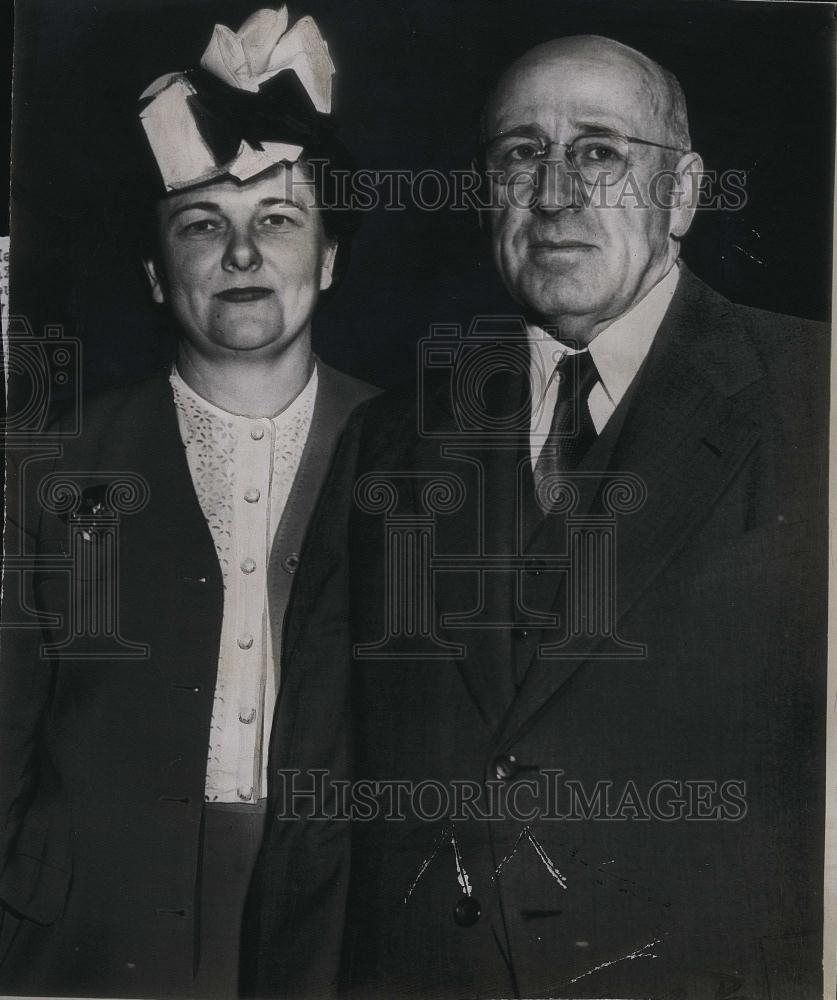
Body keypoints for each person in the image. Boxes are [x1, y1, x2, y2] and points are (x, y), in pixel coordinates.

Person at [251, 34, 828, 999]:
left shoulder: (816, 396)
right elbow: (319, 806)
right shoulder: (390, 441)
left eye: (599, 151)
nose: (554, 191)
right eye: (520, 154)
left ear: (683, 195)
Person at [0, 7, 376, 997]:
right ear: (156, 273)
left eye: (279, 221)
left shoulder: (408, 455)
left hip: (331, 927)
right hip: (90, 926)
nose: (243, 256)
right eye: (204, 224)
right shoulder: (51, 460)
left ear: (330, 258)